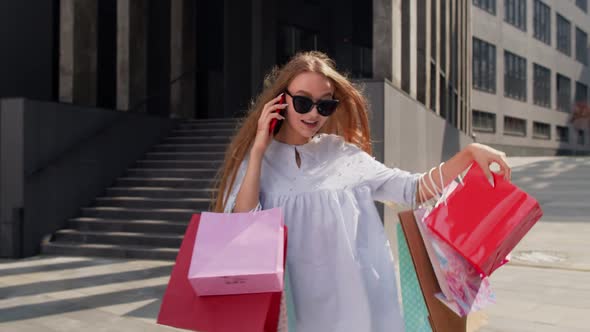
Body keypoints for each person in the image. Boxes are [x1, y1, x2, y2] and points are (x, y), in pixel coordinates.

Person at [212, 51, 510, 332]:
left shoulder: (342, 154)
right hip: (287, 311)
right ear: (280, 100)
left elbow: (412, 189)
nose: (314, 114)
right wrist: (259, 149)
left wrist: (468, 154)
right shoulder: (258, 159)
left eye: (325, 105)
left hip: (351, 309)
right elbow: (243, 223)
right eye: (303, 102)